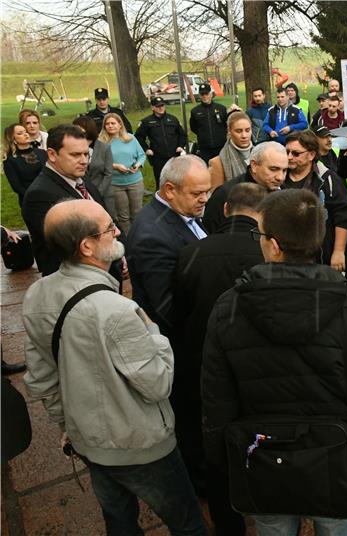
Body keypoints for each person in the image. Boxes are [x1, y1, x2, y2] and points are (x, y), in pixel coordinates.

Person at [202, 188, 347, 536]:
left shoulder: (228, 307)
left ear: (274, 244)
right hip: (334, 458)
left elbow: (216, 398)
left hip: (262, 454)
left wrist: (222, 459)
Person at [22, 198, 206, 536]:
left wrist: (70, 423)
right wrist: (153, 330)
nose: (118, 231)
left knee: (118, 520)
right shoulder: (117, 311)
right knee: (187, 522)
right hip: (143, 447)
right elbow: (159, 383)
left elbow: (41, 378)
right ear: (87, 246)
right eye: (109, 228)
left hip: (88, 441)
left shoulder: (37, 295)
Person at [171, 183, 269, 536]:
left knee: (214, 451)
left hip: (206, 369)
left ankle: (228, 526)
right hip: (260, 374)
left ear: (226, 210)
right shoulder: (270, 253)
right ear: (264, 216)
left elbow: (178, 315)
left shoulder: (191, 252)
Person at [126, 155, 211, 336]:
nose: (205, 199)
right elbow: (168, 309)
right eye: (197, 194)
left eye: (207, 192)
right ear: (170, 190)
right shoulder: (152, 238)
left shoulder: (184, 210)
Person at [22, 125, 116, 276]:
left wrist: (121, 254)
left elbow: (108, 218)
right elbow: (70, 245)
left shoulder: (81, 178)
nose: (84, 161)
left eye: (86, 154)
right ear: (52, 154)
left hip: (103, 272)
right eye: (75, 155)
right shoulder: (39, 195)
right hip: (77, 282)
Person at [284, 130, 347, 271]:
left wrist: (338, 252)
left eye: (296, 153)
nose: (289, 157)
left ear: (311, 155)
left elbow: (343, 216)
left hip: (319, 259)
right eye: (287, 152)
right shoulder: (278, 178)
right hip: (285, 257)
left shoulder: (328, 179)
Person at [203, 141, 288, 234]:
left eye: (284, 170)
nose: (280, 177)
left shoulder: (285, 191)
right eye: (273, 169)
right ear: (254, 165)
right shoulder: (226, 193)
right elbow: (210, 233)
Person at [98, 113, 145, 234]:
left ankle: (139, 236)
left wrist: (138, 165)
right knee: (123, 216)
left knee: (137, 212)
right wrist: (115, 166)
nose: (110, 126)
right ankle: (128, 239)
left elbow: (141, 155)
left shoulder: (130, 138)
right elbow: (99, 163)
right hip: (115, 183)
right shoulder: (102, 142)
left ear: (120, 125)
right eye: (107, 124)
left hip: (135, 181)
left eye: (113, 123)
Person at [134, 96, 187, 187]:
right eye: (158, 106)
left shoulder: (173, 119)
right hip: (158, 158)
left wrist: (181, 146)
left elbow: (182, 135)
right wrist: (146, 149)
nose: (161, 108)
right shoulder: (147, 122)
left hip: (174, 156)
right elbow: (138, 137)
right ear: (153, 107)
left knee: (176, 181)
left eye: (162, 105)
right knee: (161, 182)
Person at [73, 116, 115, 218]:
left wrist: (97, 193)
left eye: (79, 128)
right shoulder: (73, 148)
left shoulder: (104, 148)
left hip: (104, 194)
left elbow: (108, 173)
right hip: (82, 196)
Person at [3, 123, 46, 206]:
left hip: (51, 196)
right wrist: (36, 196)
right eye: (20, 133)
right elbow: (17, 187)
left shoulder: (42, 153)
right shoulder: (10, 160)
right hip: (31, 201)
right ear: (13, 139)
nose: (25, 134)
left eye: (25, 131)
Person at [208, 111, 253, 189]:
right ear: (229, 131)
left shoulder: (261, 156)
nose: (244, 135)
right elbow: (216, 196)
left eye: (247, 130)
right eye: (238, 131)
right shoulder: (218, 163)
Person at [190, 83, 228, 163]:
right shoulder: (195, 111)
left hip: (220, 147)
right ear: (199, 95)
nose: (204, 96)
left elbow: (226, 124)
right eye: (202, 94)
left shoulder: (221, 108)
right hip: (204, 149)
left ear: (211, 94)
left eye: (206, 94)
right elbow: (194, 128)